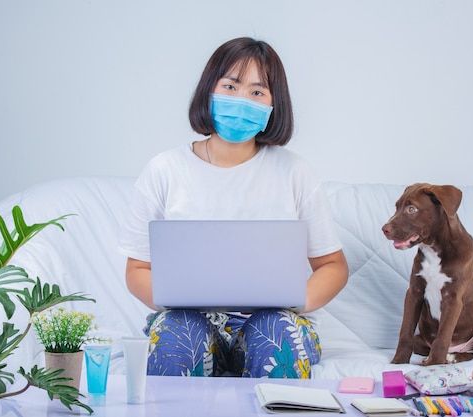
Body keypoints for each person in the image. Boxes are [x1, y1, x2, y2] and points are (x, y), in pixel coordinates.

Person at [118, 37, 348, 378]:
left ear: (274, 104)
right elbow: (137, 269)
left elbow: (333, 266)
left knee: (274, 334)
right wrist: (176, 298)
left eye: (257, 92)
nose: (242, 100)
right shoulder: (164, 170)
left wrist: (293, 300)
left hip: (272, 322)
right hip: (188, 321)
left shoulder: (296, 172)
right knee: (177, 335)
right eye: (230, 86)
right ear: (208, 91)